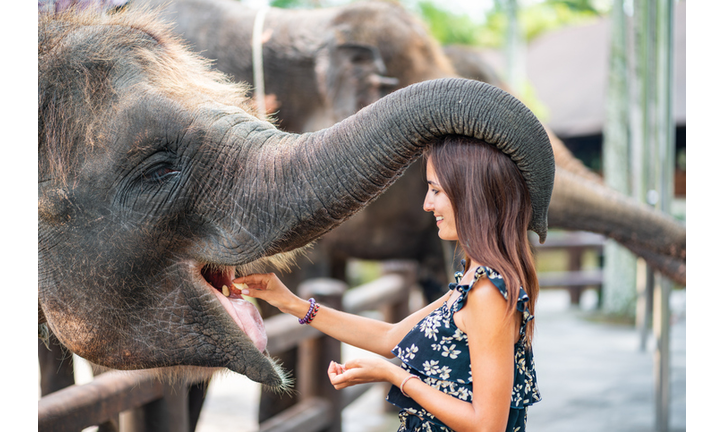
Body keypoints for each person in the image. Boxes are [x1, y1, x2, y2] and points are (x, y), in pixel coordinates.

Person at [234, 133, 553, 432]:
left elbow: (487, 425)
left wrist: (393, 375)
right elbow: (391, 337)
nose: (428, 204)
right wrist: (290, 302)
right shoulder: (473, 279)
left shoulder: (487, 292)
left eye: (436, 190)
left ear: (471, 195)